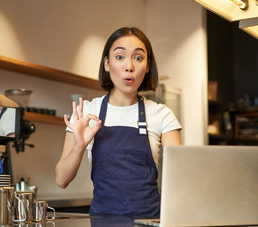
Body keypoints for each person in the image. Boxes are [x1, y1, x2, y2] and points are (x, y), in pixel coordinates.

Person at [55, 27, 182, 218]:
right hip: (102, 222)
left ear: (147, 66)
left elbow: (180, 178)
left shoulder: (161, 115)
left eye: (138, 58)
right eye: (120, 57)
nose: (129, 66)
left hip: (149, 223)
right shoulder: (87, 112)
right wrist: (79, 147)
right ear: (107, 64)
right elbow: (61, 179)